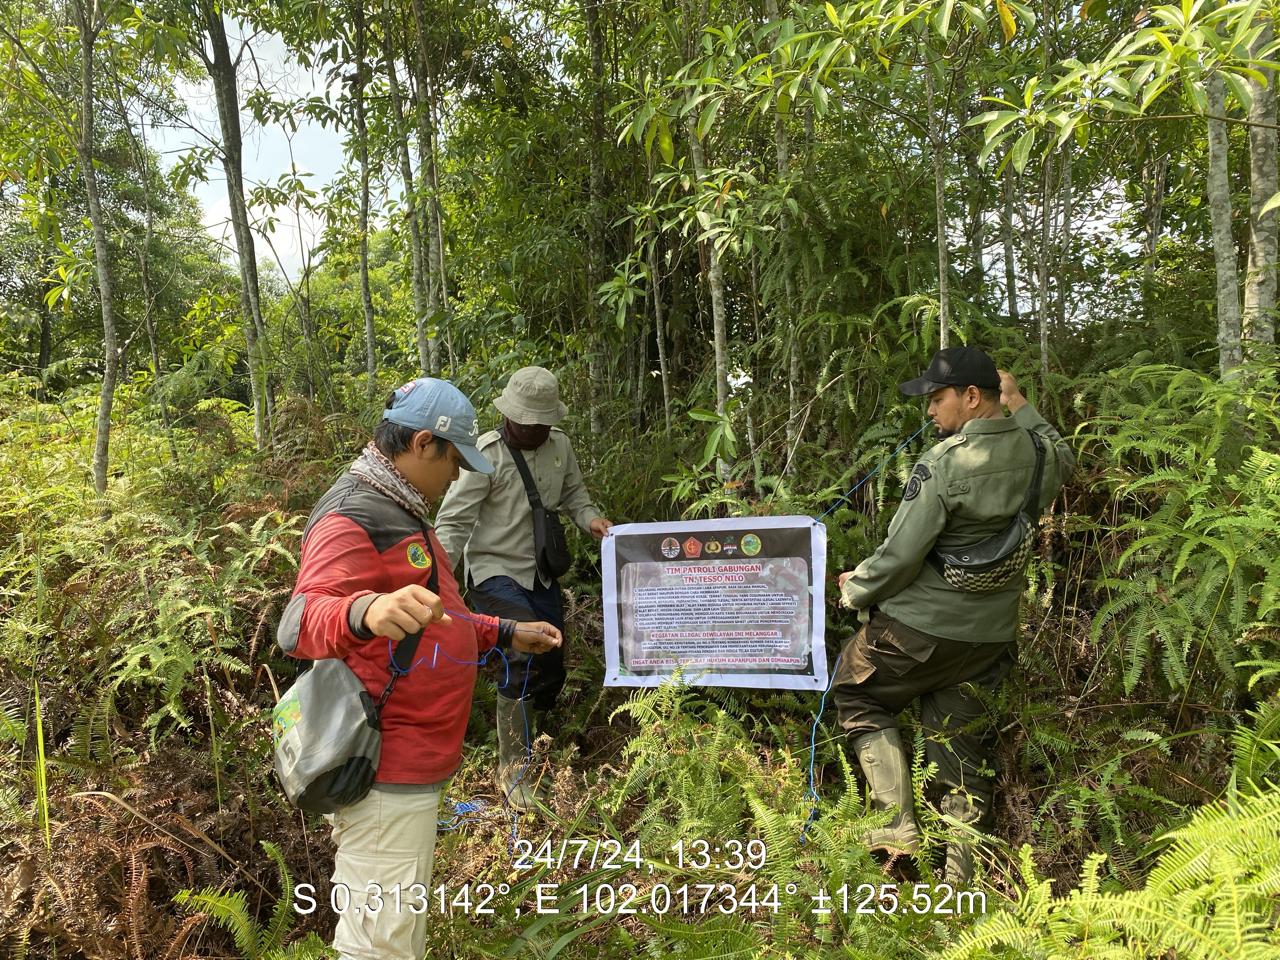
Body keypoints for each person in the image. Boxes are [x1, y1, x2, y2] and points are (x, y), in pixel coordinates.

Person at [277, 377, 562, 960]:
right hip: (388, 766)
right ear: (424, 443)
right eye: (454, 460)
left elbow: (442, 616)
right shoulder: (355, 514)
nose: (457, 476)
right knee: (380, 945)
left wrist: (506, 631)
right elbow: (299, 622)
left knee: (396, 933)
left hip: (414, 763)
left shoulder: (401, 508)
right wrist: (366, 610)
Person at [833, 346, 1074, 884]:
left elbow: (900, 556)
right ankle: (961, 878)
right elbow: (1063, 449)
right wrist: (1020, 402)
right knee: (956, 744)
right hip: (989, 639)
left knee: (857, 692)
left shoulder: (943, 463)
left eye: (937, 398)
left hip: (918, 632)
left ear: (970, 397)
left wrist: (856, 590)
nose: (929, 412)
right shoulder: (1040, 454)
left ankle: (895, 837)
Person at [435, 366, 612, 811]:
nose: (529, 429)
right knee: (522, 652)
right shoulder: (485, 455)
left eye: (538, 423)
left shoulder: (561, 447)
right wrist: (436, 580)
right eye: (523, 421)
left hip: (541, 573)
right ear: (509, 416)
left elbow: (575, 495)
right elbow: (454, 524)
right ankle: (514, 769)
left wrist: (591, 520)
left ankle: (544, 737)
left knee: (552, 658)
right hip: (495, 571)